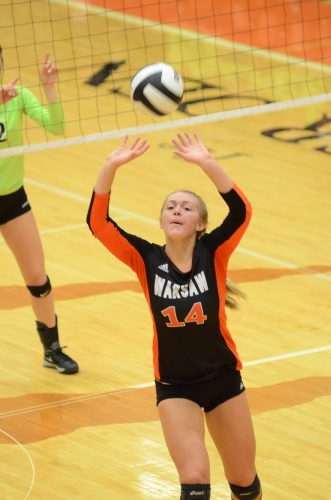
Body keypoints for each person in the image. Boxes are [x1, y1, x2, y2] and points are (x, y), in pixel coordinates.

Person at [86, 132, 261, 499]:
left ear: (200, 224)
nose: (177, 210)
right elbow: (98, 224)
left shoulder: (213, 253)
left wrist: (207, 163)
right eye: (170, 206)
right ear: (162, 220)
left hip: (223, 380)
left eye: (186, 207)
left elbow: (242, 211)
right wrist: (109, 167)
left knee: (245, 484)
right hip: (175, 386)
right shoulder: (146, 258)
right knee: (195, 480)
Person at [0, 46, 78, 374]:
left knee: (37, 276)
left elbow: (56, 127)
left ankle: (52, 349)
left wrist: (49, 89)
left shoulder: (17, 97)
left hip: (12, 199)